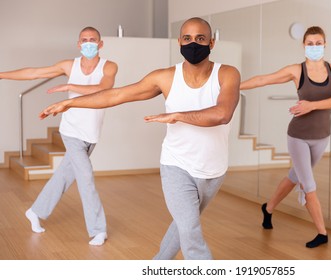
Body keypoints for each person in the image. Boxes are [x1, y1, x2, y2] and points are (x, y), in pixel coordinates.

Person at [39, 17, 240, 259]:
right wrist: (71, 102)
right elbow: (116, 95)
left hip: (213, 170)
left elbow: (223, 114)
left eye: (200, 38)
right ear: (179, 41)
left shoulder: (227, 74)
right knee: (190, 230)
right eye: (187, 38)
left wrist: (178, 115)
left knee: (183, 227)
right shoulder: (165, 77)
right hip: (176, 164)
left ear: (212, 42)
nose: (193, 44)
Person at [0, 26, 118, 246]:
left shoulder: (109, 66)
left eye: (93, 40)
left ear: (100, 44)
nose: (89, 43)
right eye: (84, 40)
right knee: (86, 178)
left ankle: (35, 211)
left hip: (91, 135)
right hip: (71, 131)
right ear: (78, 44)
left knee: (64, 176)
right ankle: (98, 229)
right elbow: (34, 73)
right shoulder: (69, 65)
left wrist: (70, 86)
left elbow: (104, 89)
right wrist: (2, 75)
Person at [240, 26, 331, 248]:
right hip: (298, 136)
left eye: (319, 43)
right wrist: (232, 87)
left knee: (294, 176)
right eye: (310, 44)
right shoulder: (296, 71)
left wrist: (311, 106)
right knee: (308, 184)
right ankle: (322, 233)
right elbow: (263, 80)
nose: (315, 47)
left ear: (325, 44)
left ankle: (268, 208)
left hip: (321, 136)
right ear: (303, 46)